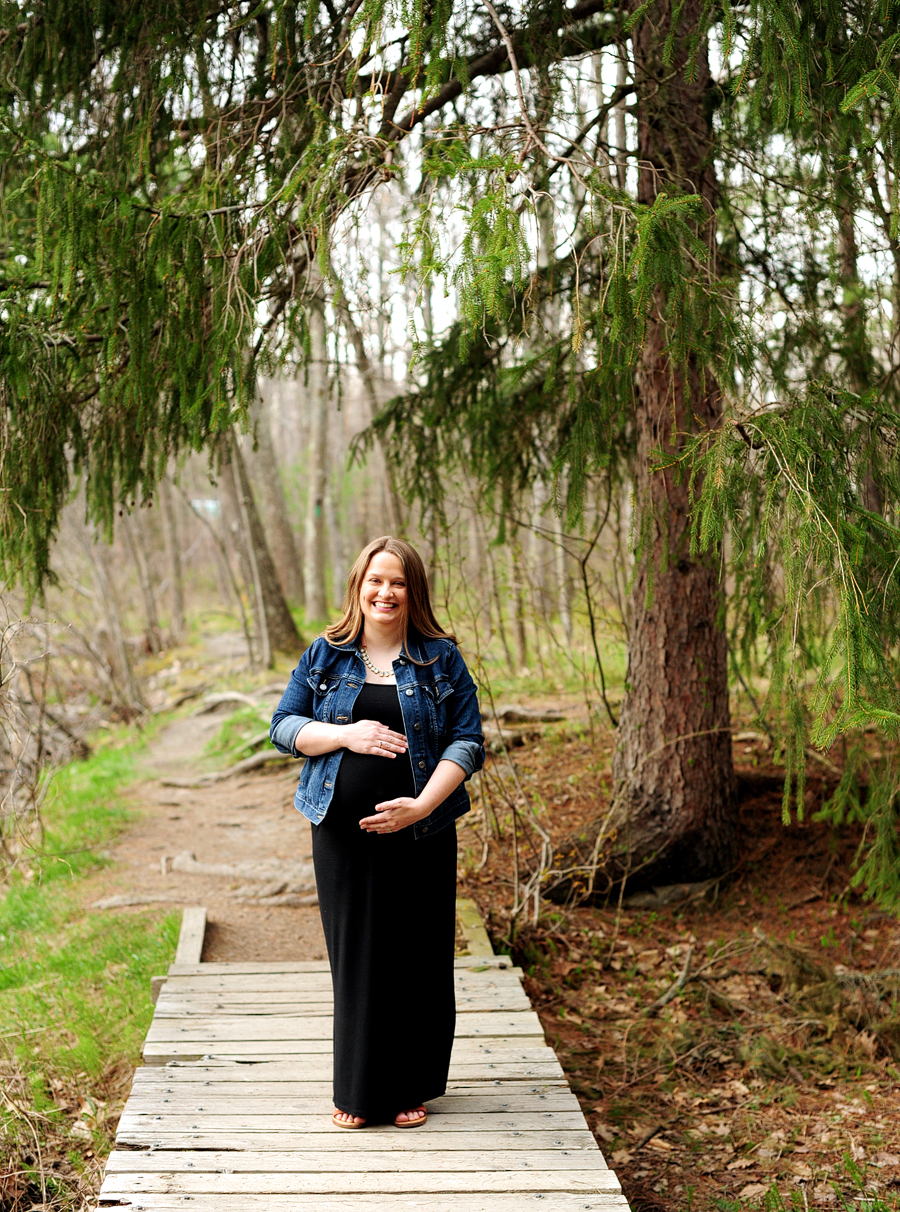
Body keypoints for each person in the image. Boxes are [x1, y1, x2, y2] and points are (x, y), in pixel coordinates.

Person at [270, 536, 485, 1129]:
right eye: (375, 581)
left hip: (422, 830)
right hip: (342, 833)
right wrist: (345, 735)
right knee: (358, 954)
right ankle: (360, 1090)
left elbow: (467, 741)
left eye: (398, 582)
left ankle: (409, 1084)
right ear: (358, 587)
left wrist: (420, 806)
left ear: (413, 591)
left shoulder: (440, 657)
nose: (385, 592)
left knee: (415, 953)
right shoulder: (325, 654)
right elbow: (284, 726)